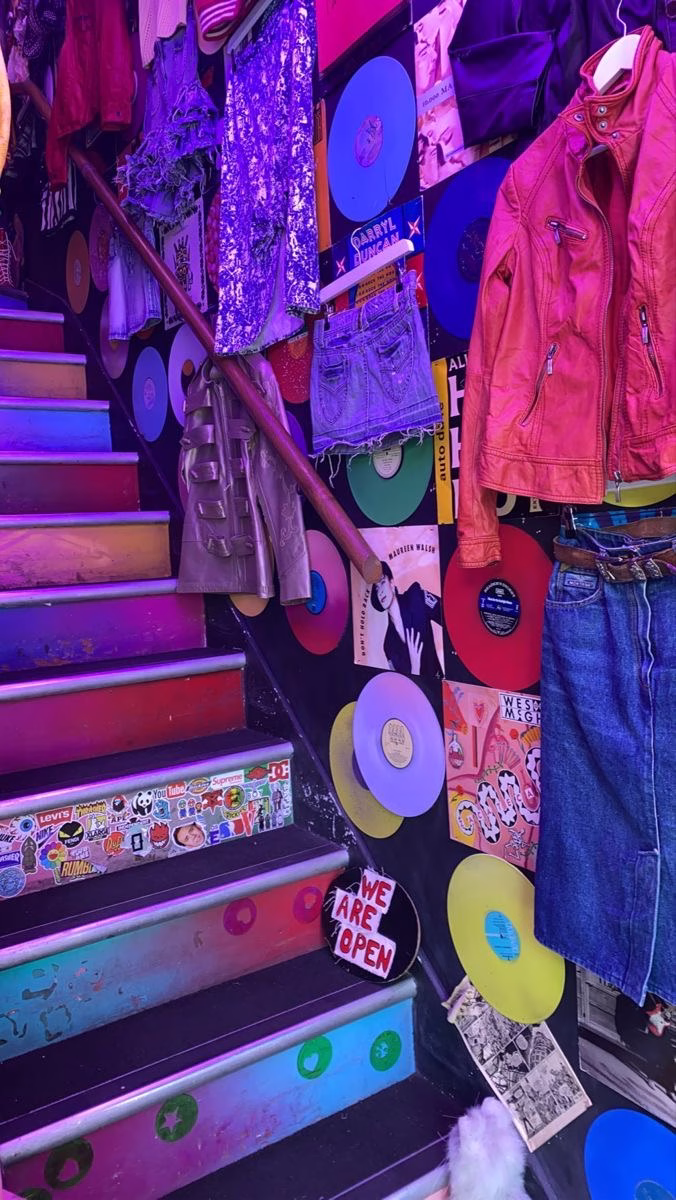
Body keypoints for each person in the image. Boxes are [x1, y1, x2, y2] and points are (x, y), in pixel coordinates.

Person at [370, 561, 443, 677]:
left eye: (383, 582)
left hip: (439, 681)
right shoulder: (388, 645)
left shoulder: (416, 597)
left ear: (392, 583)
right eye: (377, 588)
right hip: (416, 688)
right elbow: (402, 683)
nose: (381, 591)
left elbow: (449, 618)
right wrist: (415, 667)